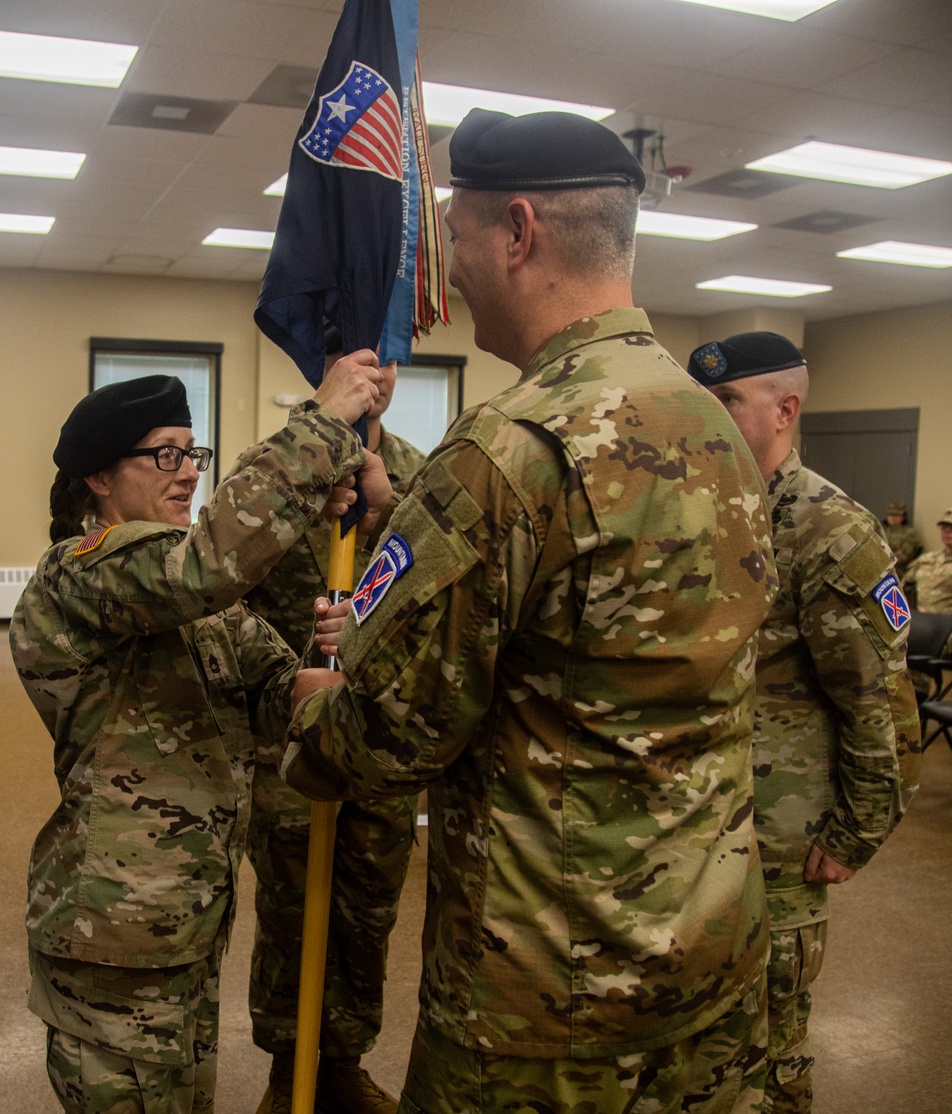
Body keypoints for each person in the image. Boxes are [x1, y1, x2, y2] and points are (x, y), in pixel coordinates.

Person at [285, 108, 780, 1114]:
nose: (451, 274)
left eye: (456, 238)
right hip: (710, 961)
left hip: (542, 1003)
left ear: (517, 232)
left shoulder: (508, 445)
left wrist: (310, 709)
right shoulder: (714, 427)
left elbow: (391, 734)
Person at [10, 359, 385, 1114]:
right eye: (163, 456)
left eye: (193, 453)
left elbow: (275, 692)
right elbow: (204, 566)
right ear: (98, 480)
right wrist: (319, 425)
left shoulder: (206, 608)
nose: (186, 474)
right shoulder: (81, 575)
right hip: (112, 937)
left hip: (185, 927)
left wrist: (325, 668)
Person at [687, 331, 921, 1114]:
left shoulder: (830, 529)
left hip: (783, 837)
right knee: (707, 1041)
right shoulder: (708, 509)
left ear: (785, 409)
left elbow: (880, 700)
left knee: (769, 1044)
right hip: (703, 826)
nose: (705, 417)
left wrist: (857, 832)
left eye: (724, 402)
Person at [242, 333, 425, 1114]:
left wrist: (388, 508)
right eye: (355, 359)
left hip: (379, 741)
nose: (373, 377)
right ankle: (290, 1067)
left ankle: (343, 1059)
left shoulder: (424, 478)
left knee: (366, 908)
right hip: (291, 739)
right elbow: (229, 583)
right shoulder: (277, 469)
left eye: (384, 360)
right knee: (288, 908)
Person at [904, 508, 952, 614]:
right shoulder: (927, 558)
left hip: (946, 624)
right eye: (944, 527)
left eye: (951, 527)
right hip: (921, 620)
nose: (947, 531)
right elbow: (903, 584)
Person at [881, 501, 922, 582]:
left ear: (903, 517)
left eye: (896, 515)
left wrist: (882, 560)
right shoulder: (883, 531)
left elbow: (904, 555)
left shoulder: (909, 533)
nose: (893, 518)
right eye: (891, 515)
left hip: (899, 571)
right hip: (881, 569)